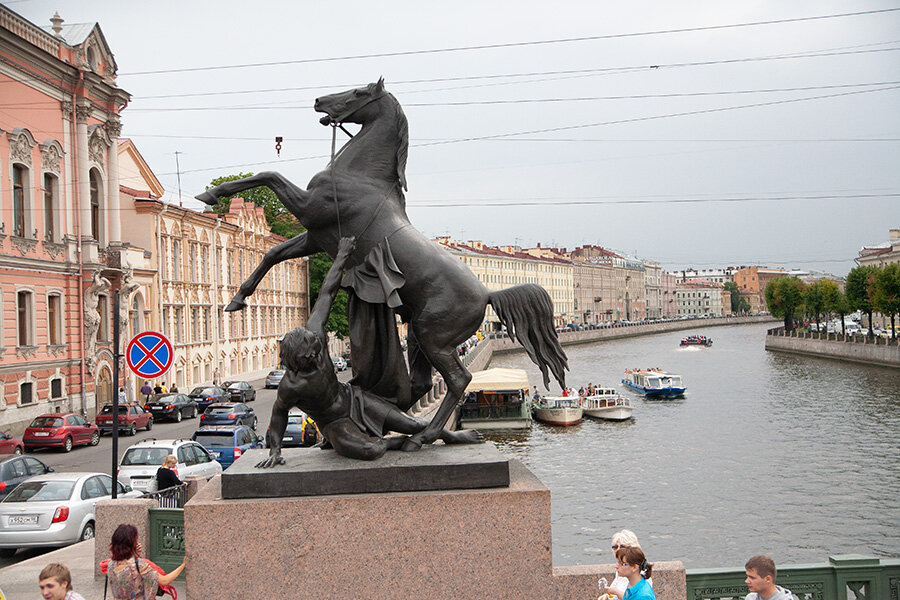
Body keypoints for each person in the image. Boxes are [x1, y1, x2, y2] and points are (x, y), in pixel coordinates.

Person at [257, 237, 483, 465]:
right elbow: (278, 415)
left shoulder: (313, 335)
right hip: (334, 423)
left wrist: (342, 255)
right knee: (370, 450)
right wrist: (275, 451)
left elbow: (327, 292)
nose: (319, 356)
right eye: (313, 356)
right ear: (300, 362)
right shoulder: (290, 386)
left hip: (354, 399)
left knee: (412, 424)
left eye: (317, 350)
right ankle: (394, 442)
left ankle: (451, 436)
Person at [106, 524, 184, 600]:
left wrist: (135, 554)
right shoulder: (139, 565)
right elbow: (164, 581)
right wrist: (183, 565)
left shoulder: (111, 564)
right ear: (132, 544)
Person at [604, 530, 652, 599]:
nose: (618, 550)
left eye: (622, 547)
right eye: (615, 547)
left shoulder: (643, 595)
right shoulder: (631, 581)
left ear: (634, 567)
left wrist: (615, 592)